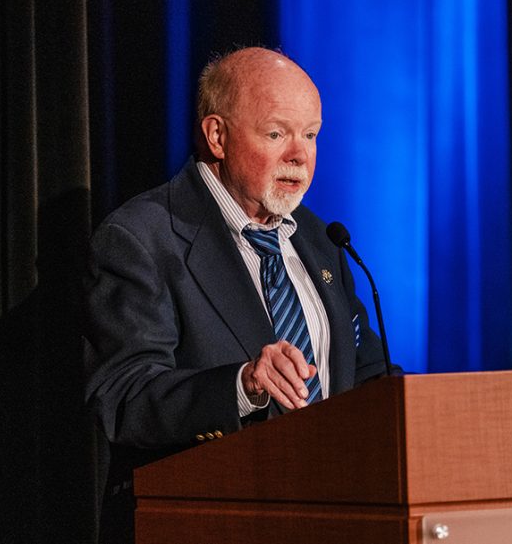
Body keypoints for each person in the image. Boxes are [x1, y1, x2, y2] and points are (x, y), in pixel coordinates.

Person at [83, 47, 393, 543]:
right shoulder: (142, 237)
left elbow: (368, 374)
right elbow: (123, 398)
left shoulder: (319, 239)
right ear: (217, 136)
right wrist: (243, 385)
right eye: (277, 133)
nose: (300, 154)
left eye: (310, 134)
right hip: (204, 522)